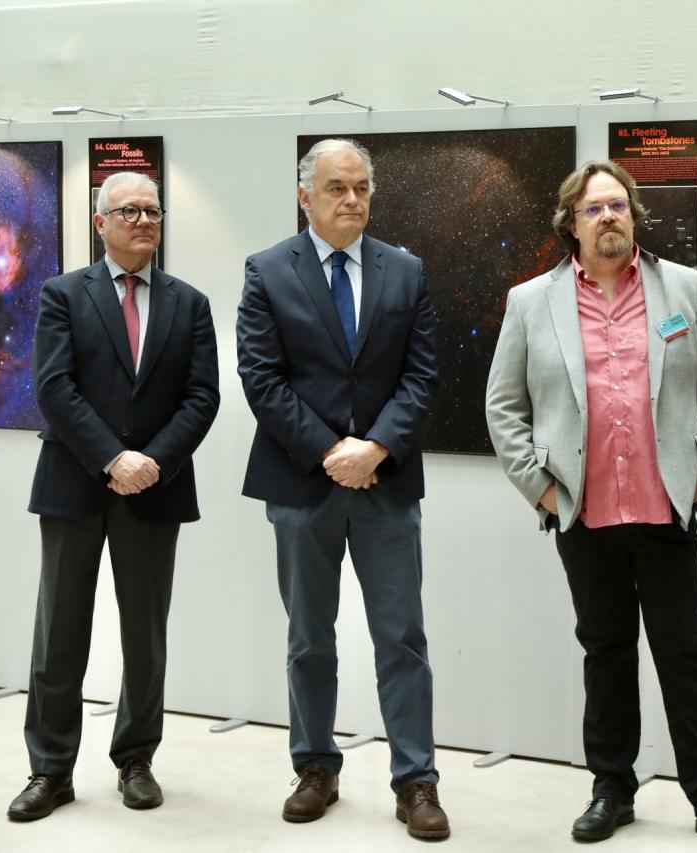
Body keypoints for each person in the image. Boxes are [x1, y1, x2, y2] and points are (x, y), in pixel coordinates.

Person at [485, 160, 697, 842]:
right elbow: (504, 406)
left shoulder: (682, 287)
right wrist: (539, 486)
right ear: (571, 223)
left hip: (666, 509)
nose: (610, 218)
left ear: (634, 215)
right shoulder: (532, 301)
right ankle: (612, 788)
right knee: (606, 650)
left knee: (683, 652)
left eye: (619, 206)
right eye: (594, 209)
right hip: (583, 512)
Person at [236, 138, 447, 839]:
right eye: (336, 188)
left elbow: (422, 375)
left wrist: (376, 447)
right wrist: (333, 451)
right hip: (302, 484)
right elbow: (261, 379)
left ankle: (415, 779)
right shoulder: (267, 271)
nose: (352, 199)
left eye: (360, 187)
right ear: (306, 196)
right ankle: (315, 767)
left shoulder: (407, 271)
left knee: (402, 637)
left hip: (387, 484)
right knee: (308, 637)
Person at [9, 172, 220, 821]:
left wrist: (150, 461)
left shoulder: (191, 303)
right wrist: (112, 457)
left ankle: (136, 758)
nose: (143, 219)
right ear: (100, 222)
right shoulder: (62, 294)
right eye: (128, 209)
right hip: (75, 484)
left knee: (144, 635)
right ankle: (50, 769)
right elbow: (54, 388)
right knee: (59, 633)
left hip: (155, 489)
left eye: (152, 210)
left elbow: (202, 396)